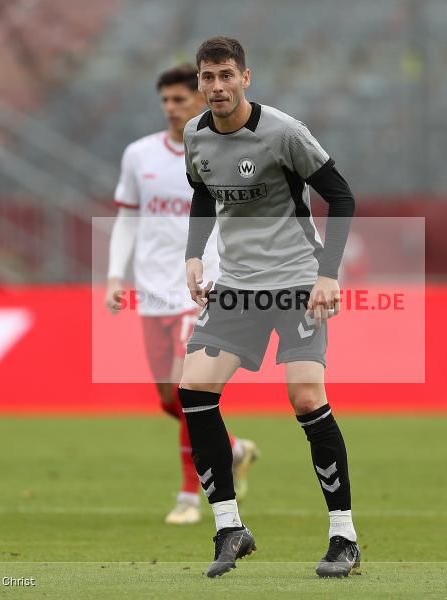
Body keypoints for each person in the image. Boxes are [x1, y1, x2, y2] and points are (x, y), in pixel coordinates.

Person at [179, 37, 359, 578]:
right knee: (193, 390)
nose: (216, 87)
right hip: (237, 286)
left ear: (245, 77)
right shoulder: (195, 135)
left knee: (305, 397)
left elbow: (342, 195)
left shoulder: (283, 132)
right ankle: (229, 525)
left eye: (225, 76)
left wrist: (327, 274)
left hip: (298, 282)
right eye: (207, 78)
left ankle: (343, 538)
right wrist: (193, 256)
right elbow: (203, 195)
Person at [106, 63, 258, 526]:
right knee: (168, 400)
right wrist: (115, 276)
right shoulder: (139, 155)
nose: (172, 109)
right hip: (153, 292)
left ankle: (191, 497)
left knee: (185, 387)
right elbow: (128, 219)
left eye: (180, 100)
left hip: (203, 288)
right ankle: (233, 449)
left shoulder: (224, 152)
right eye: (166, 101)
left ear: (201, 99)